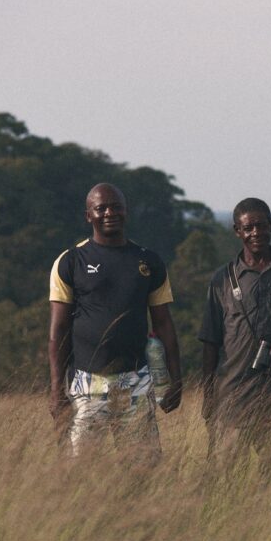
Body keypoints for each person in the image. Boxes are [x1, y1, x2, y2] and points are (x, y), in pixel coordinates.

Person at [48, 183, 183, 461]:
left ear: (126, 211)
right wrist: (56, 390)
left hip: (136, 379)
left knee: (142, 468)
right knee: (80, 468)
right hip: (86, 381)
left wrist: (175, 380)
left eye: (116, 207)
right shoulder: (70, 262)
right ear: (89, 215)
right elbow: (58, 331)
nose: (109, 212)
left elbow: (164, 325)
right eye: (101, 208)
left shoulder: (148, 261)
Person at [199, 198, 271, 481]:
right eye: (248, 228)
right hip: (231, 394)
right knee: (226, 475)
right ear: (237, 231)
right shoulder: (222, 278)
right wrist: (208, 395)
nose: (256, 233)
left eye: (261, 225)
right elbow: (210, 340)